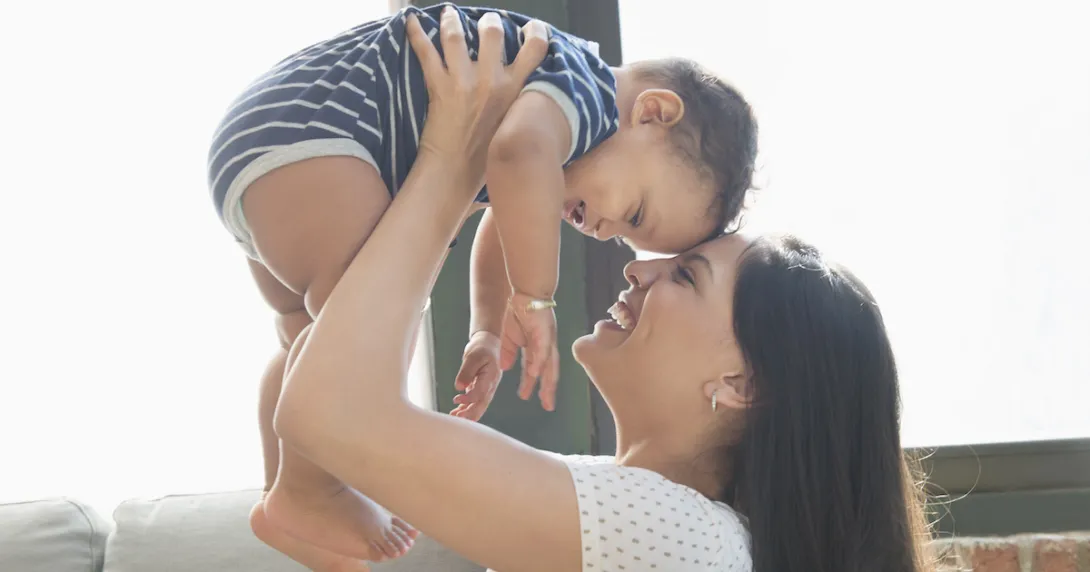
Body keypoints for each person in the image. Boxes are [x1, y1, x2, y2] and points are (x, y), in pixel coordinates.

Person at [267, 8, 933, 572]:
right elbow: (330, 413)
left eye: (685, 275)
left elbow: (328, 414)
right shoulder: (652, 523)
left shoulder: (679, 537)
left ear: (743, 383)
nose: (635, 267)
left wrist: (452, 154)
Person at [208, 2, 758, 566]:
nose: (606, 235)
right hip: (319, 142)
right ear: (654, 113)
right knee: (363, 325)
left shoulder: (551, 122)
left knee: (310, 333)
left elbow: (506, 205)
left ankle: (288, 494)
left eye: (625, 233)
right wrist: (535, 294)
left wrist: (487, 332)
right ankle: (310, 491)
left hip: (271, 145)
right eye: (635, 214)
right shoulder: (582, 91)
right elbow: (515, 157)